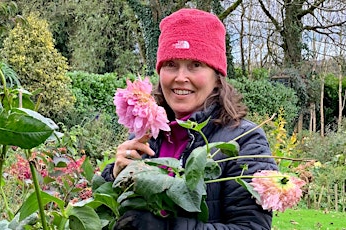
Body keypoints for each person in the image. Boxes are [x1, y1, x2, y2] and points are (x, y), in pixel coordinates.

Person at [101, 8, 278, 230]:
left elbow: (252, 227)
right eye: (171, 64)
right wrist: (115, 175)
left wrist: (165, 228)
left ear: (217, 77)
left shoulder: (244, 141)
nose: (180, 77)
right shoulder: (147, 134)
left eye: (195, 65)